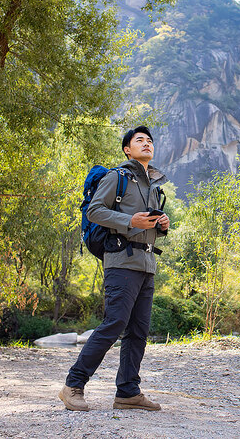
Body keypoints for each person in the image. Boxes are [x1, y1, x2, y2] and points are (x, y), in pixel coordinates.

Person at [59, 126, 170, 412]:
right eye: (139, 140)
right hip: (121, 262)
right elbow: (94, 211)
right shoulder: (117, 177)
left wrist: (160, 226)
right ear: (127, 149)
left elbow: (145, 226)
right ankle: (73, 384)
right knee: (115, 323)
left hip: (147, 264)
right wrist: (130, 220)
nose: (146, 144)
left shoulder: (153, 186)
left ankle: (128, 392)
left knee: (138, 331)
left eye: (149, 141)